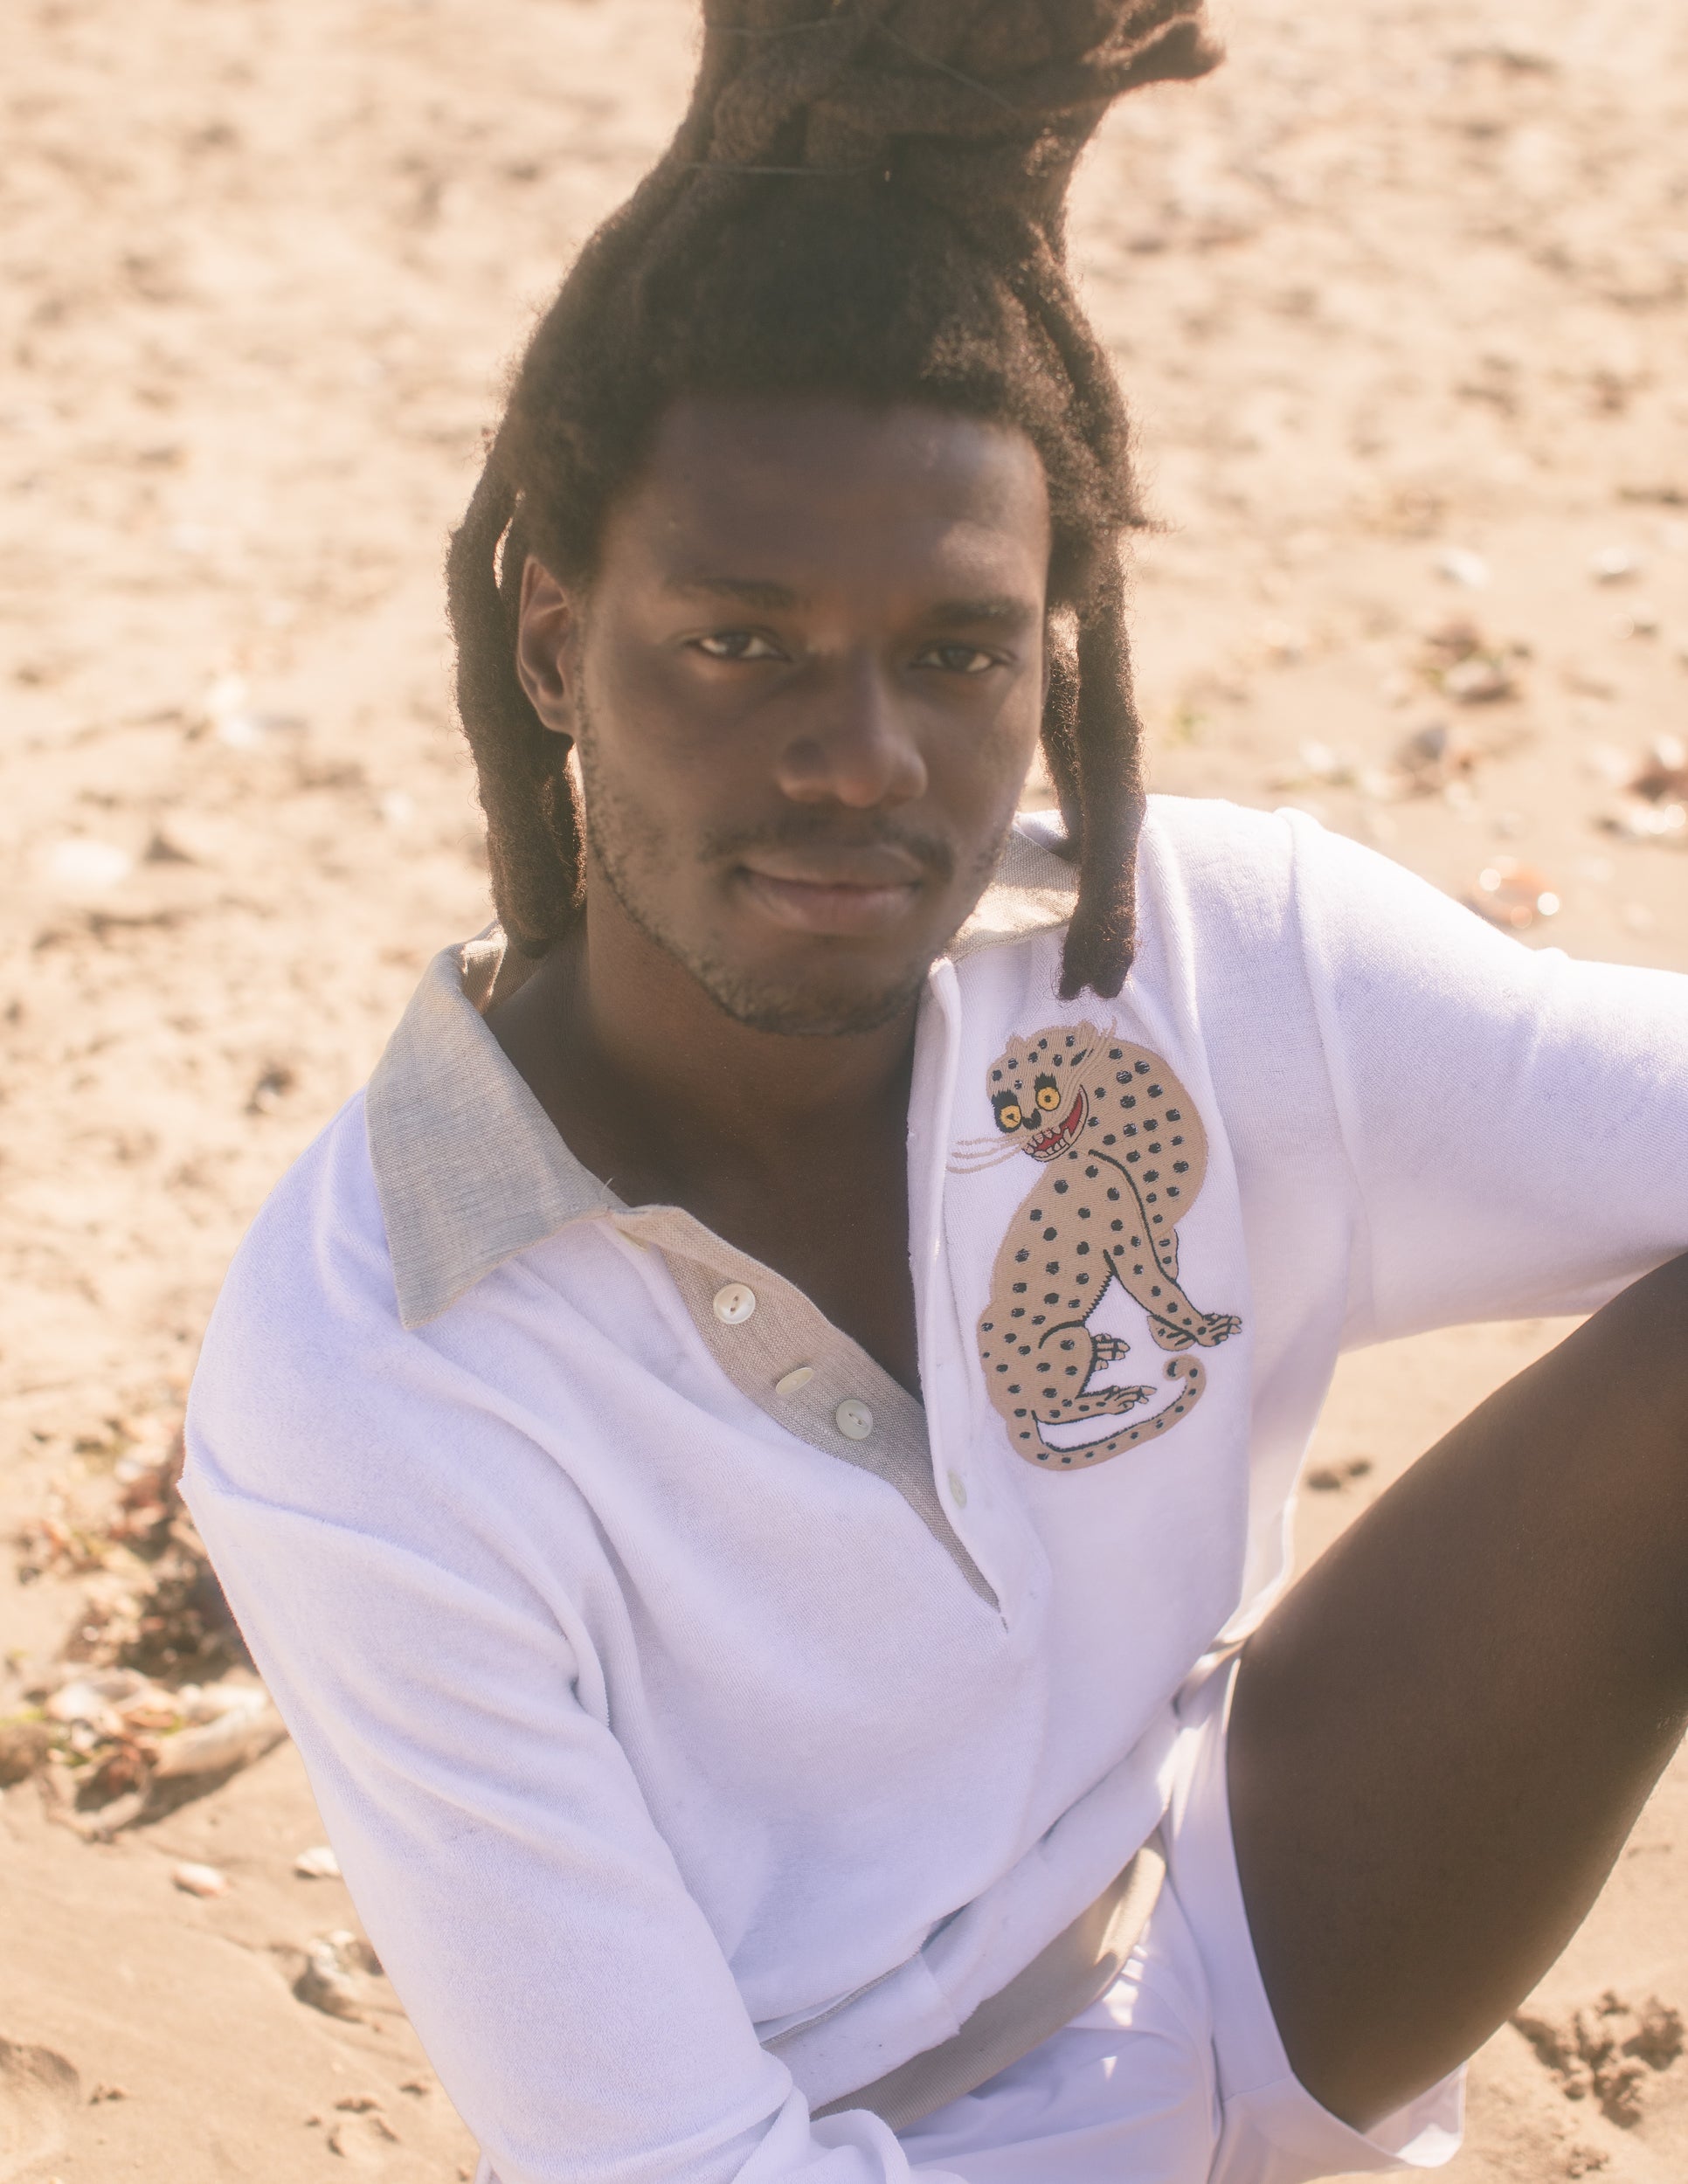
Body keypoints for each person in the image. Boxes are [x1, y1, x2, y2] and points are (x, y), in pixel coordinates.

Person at [181, 3, 1688, 2180]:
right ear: (549, 635)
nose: (863, 757)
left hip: (1254, 1942)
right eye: (741, 640)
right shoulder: (365, 1380)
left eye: (958, 652)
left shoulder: (1195, 958)